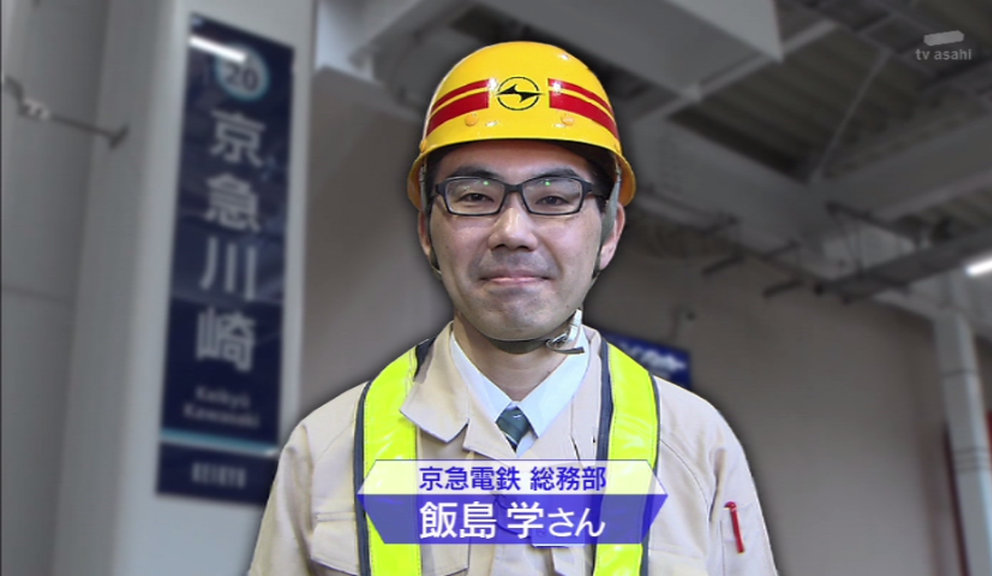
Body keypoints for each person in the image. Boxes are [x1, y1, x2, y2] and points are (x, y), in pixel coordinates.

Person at [249, 41, 778, 576]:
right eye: (474, 197)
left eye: (554, 198)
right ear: (427, 232)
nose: (513, 232)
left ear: (610, 232)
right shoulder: (330, 448)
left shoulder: (694, 445)